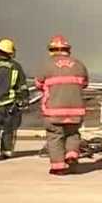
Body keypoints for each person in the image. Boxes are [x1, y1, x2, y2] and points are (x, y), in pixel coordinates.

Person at [35, 35, 89, 175]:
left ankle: (59, 167)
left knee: (55, 136)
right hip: (76, 111)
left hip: (53, 111)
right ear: (68, 50)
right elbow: (85, 83)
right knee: (72, 133)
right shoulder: (79, 64)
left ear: (51, 50)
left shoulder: (46, 66)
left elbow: (38, 84)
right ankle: (71, 155)